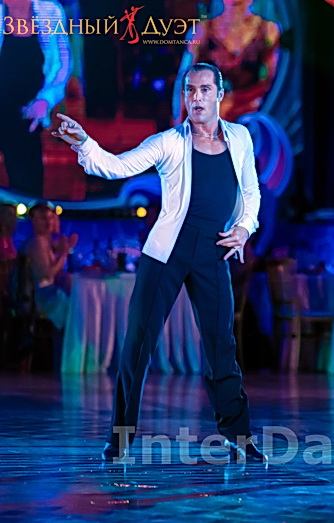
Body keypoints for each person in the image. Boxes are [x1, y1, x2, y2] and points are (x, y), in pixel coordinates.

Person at [52, 63, 266, 463]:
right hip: (167, 253)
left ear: (220, 95)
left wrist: (244, 227)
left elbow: (251, 191)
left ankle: (239, 436)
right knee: (138, 345)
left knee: (222, 346)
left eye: (205, 90)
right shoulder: (169, 142)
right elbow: (117, 166)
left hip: (213, 252)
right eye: (190, 90)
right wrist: (85, 143)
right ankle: (119, 438)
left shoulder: (240, 137)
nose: (196, 98)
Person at [0, 0, 72, 196]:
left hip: (29, 114)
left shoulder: (50, 12)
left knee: (26, 183)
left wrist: (45, 101)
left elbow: (62, 64)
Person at [23, 203, 76, 330]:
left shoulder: (44, 241)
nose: (48, 223)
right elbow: (46, 275)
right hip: (42, 299)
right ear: (33, 221)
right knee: (78, 307)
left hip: (48, 293)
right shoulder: (36, 242)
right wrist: (64, 253)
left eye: (49, 218)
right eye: (43, 219)